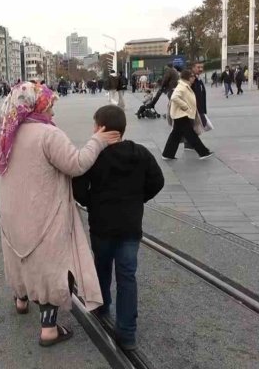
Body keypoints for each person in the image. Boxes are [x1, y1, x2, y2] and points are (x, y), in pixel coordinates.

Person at [0, 82, 120, 347]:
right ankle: (49, 329)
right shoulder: (48, 134)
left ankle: (20, 299)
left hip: (13, 214)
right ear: (37, 104)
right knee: (50, 265)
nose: (53, 112)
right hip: (44, 213)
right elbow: (76, 164)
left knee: (20, 256)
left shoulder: (5, 135)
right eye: (51, 105)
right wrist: (97, 140)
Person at [72, 105, 164, 350]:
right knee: (127, 276)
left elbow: (78, 189)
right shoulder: (140, 153)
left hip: (102, 226)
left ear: (100, 128)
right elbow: (158, 181)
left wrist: (93, 203)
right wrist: (137, 199)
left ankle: (102, 306)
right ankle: (127, 334)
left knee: (101, 267)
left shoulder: (94, 156)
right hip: (130, 227)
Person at [161, 70, 213, 160]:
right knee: (191, 134)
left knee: (175, 135)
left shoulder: (185, 86)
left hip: (180, 115)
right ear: (187, 77)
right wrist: (185, 106)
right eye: (192, 76)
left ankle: (167, 154)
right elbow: (174, 97)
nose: (194, 78)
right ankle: (203, 152)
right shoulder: (182, 87)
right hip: (181, 115)